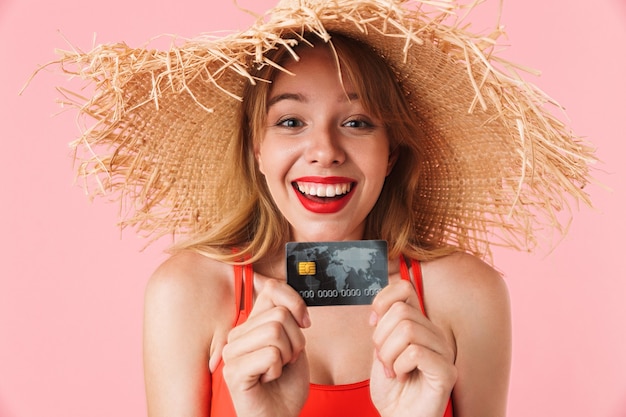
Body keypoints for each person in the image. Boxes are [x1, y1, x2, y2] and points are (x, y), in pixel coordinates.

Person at [50, 0, 595, 416]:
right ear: (257, 150)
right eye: (290, 121)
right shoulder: (188, 292)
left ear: (391, 154)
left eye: (357, 123)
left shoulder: (465, 293)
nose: (325, 151)